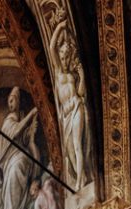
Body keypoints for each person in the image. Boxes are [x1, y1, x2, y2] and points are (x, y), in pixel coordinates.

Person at [50, 17, 90, 189]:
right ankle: (81, 175)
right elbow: (51, 47)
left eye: (67, 56)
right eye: (63, 56)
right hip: (65, 115)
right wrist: (59, 26)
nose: (65, 59)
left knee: (77, 145)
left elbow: (81, 92)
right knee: (69, 152)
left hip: (77, 107)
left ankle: (81, 180)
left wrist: (81, 76)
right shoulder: (58, 71)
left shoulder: (73, 76)